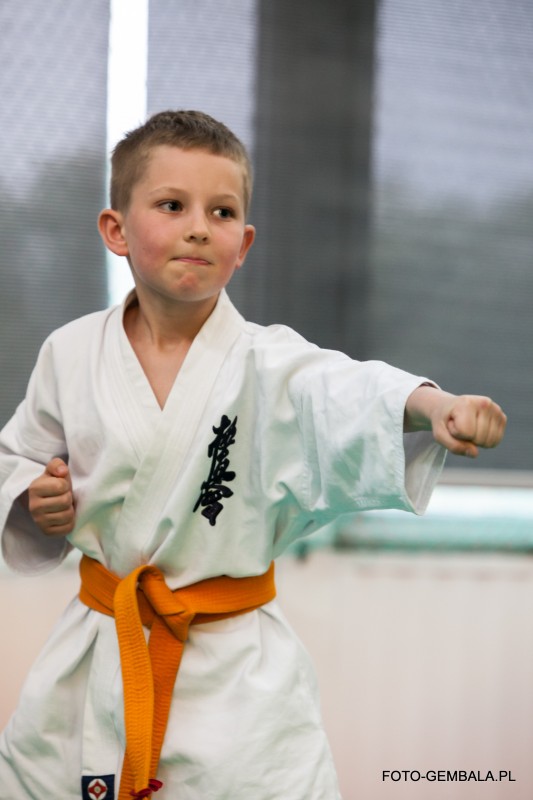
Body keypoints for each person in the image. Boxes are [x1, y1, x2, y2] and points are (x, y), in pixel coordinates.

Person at [0, 110, 506, 800]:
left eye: (222, 211)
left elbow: (347, 391)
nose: (198, 227)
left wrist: (433, 405)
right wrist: (39, 499)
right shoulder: (69, 352)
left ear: (243, 244)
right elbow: (20, 458)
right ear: (116, 229)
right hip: (100, 653)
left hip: (233, 671)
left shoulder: (269, 363)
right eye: (171, 205)